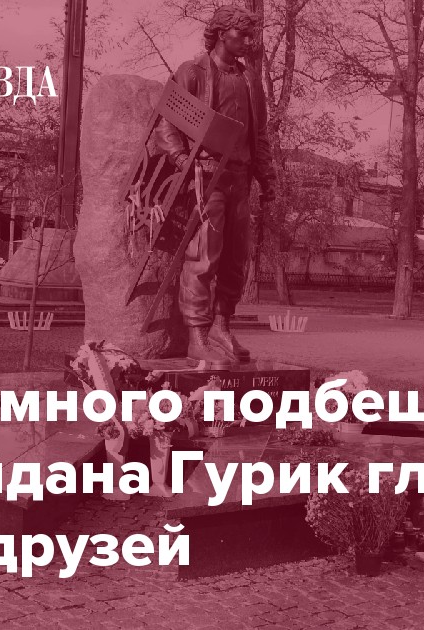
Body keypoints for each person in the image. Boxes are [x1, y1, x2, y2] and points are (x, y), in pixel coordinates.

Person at [155, 5, 277, 367]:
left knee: (237, 258)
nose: (249, 42)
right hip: (205, 178)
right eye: (243, 34)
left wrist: (267, 178)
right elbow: (167, 124)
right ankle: (196, 336)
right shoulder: (192, 72)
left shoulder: (249, 79)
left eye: (251, 35)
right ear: (222, 33)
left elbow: (259, 134)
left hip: (240, 179)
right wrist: (181, 159)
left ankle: (222, 327)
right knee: (203, 256)